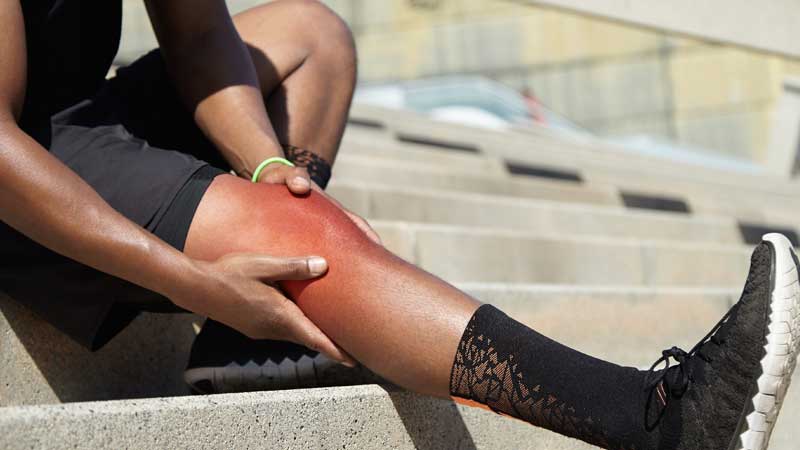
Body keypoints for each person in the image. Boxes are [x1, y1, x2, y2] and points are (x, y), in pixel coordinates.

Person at [0, 1, 796, 450]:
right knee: (307, 244)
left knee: (313, 35)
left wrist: (271, 169)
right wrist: (191, 280)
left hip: (74, 114)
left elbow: (201, 36)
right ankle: (657, 420)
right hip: (16, 164)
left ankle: (251, 345)